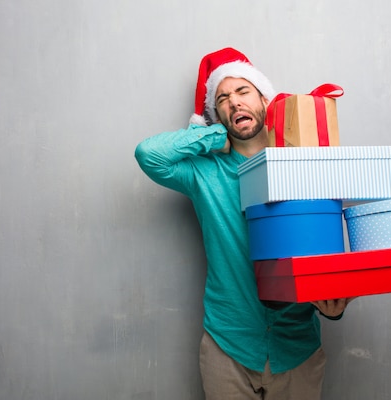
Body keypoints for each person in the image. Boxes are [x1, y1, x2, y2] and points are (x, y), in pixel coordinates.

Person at [135, 47, 354, 400]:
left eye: (242, 91)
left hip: (297, 347)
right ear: (216, 113)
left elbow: (323, 237)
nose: (234, 102)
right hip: (228, 347)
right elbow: (149, 155)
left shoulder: (302, 159)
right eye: (222, 98)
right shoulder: (202, 173)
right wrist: (211, 137)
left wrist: (333, 302)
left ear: (264, 98)